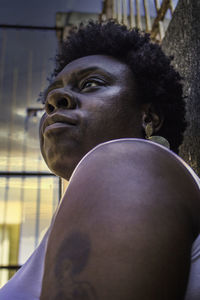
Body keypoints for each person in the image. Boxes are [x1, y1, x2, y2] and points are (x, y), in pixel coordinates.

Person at [1, 20, 200, 300]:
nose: (55, 99)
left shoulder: (126, 159)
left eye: (91, 84)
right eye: (49, 98)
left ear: (148, 117)